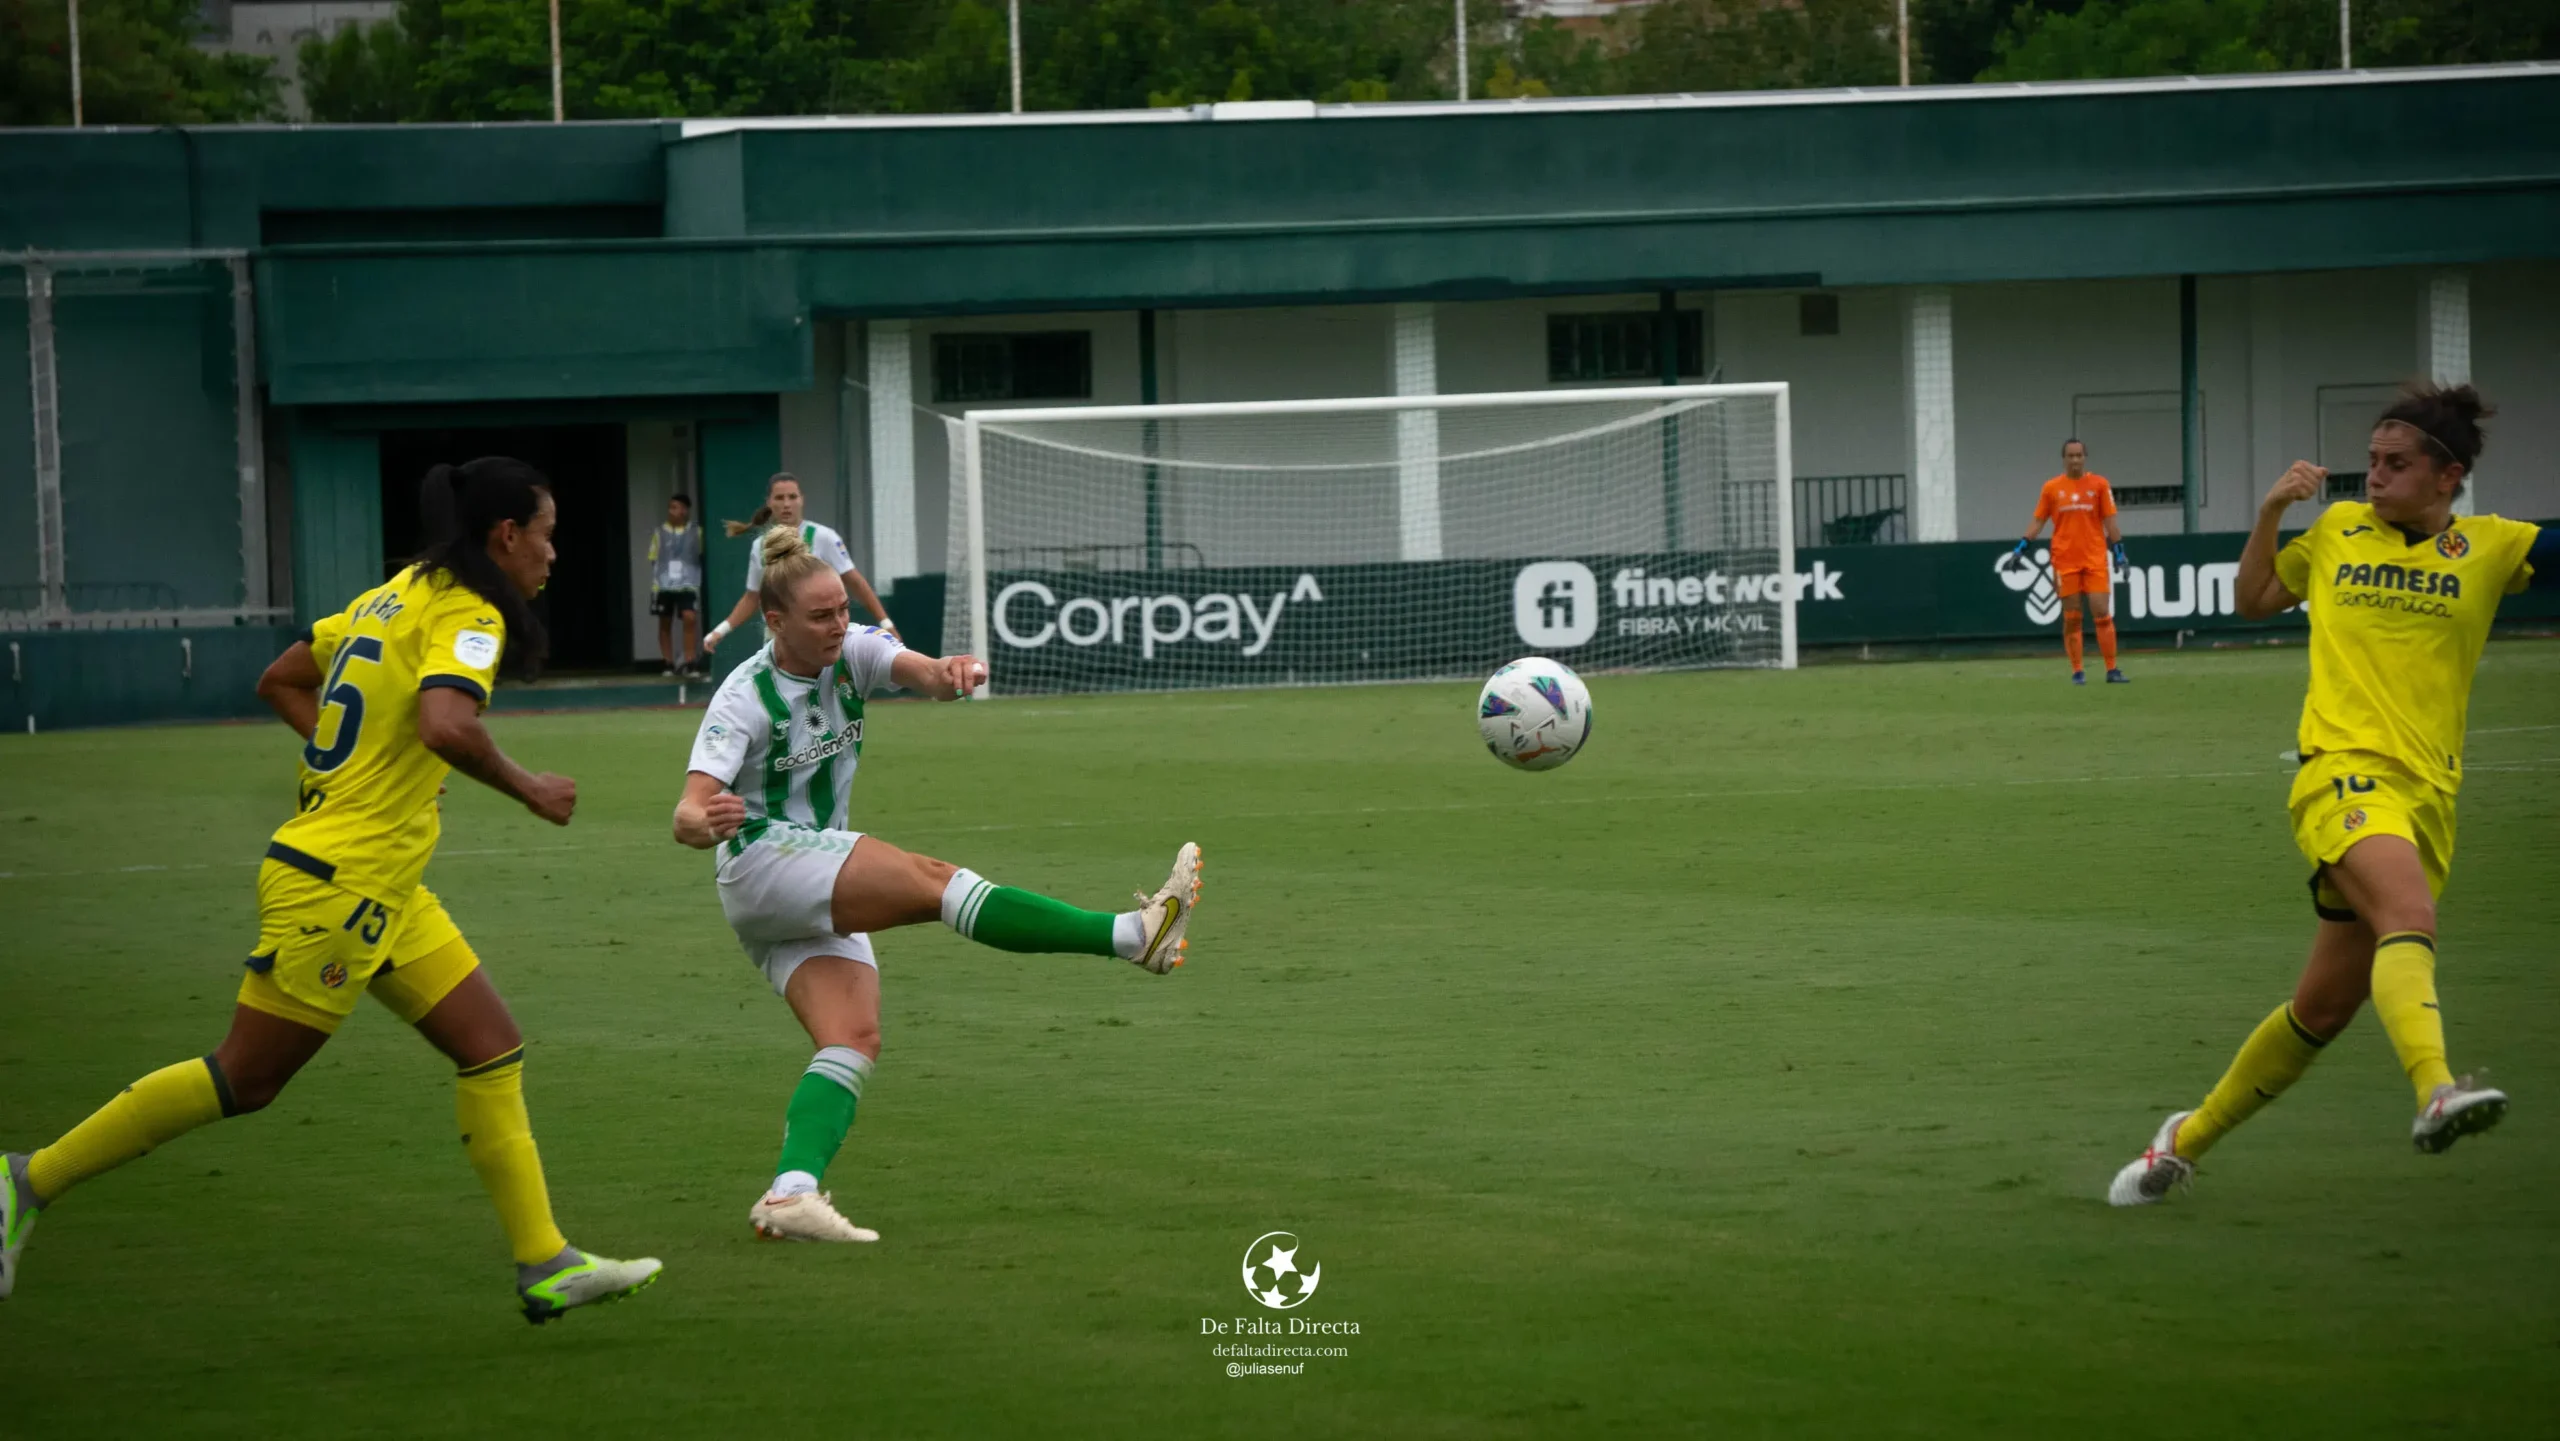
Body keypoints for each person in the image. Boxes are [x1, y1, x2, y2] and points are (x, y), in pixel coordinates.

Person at [1, 459, 663, 1321]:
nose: (553, 552)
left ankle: (545, 1261)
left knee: (491, 1044)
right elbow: (446, 723)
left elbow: (281, 678)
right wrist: (529, 784)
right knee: (246, 1077)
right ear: (506, 535)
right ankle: (27, 1178)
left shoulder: (392, 594)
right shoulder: (469, 609)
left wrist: (356, 764)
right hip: (340, 883)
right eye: (547, 533)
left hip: (383, 882)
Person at [673, 526, 1201, 1243]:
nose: (839, 625)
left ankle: (789, 1193)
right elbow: (689, 807)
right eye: (821, 615)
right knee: (937, 882)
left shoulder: (851, 650)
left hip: (803, 876)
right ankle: (1131, 935)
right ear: (775, 621)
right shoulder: (743, 696)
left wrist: (947, 672)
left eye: (840, 611)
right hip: (763, 863)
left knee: (852, 1037)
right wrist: (703, 820)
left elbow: (915, 670)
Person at [2109, 384, 2545, 1207]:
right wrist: (2273, 510)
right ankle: (2436, 1090)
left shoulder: (2493, 548)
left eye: (2395, 464)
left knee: (2324, 1009)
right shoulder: (2338, 530)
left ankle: (2180, 1142)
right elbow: (2253, 600)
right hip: (2340, 772)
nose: (2373, 476)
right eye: (2371, 461)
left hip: (2428, 794)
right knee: (2410, 918)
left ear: (2447, 476)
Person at [706, 473, 896, 657]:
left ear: (801, 500)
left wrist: (886, 623)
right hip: (778, 637)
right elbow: (752, 597)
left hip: (817, 635)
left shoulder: (824, 537)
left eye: (792, 497)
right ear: (769, 502)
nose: (786, 504)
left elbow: (855, 582)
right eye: (779, 498)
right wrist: (719, 632)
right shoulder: (761, 545)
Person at [2011, 439, 2130, 684]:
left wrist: (2119, 552)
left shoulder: (2099, 485)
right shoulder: (2052, 488)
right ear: (2063, 459)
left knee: (2102, 613)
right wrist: (2021, 547)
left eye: (2079, 455)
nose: (2075, 460)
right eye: (2070, 456)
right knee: (2072, 617)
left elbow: (2110, 522)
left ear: (2085, 457)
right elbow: (2038, 521)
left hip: (2095, 558)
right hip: (2065, 561)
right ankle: (2077, 671)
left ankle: (2112, 669)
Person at [649, 492, 706, 677]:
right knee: (665, 622)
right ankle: (668, 662)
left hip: (688, 584)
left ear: (685, 511)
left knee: (690, 618)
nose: (674, 512)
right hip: (664, 585)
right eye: (671, 507)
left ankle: (689, 661)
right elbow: (653, 559)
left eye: (678, 508)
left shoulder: (696, 532)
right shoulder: (660, 533)